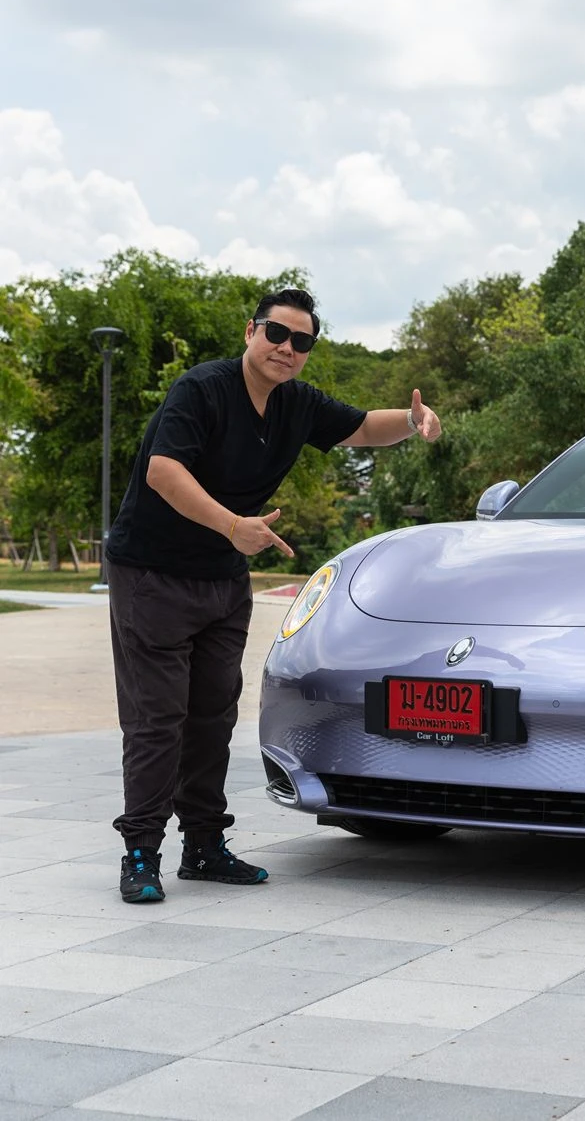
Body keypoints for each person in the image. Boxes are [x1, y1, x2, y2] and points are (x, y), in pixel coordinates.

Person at [106, 287, 441, 904]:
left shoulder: (296, 403)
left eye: (302, 341)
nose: (287, 348)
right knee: (158, 721)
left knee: (213, 718)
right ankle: (141, 852)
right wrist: (234, 526)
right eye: (277, 333)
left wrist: (412, 421)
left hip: (222, 580)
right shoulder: (201, 390)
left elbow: (362, 427)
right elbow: (163, 471)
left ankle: (203, 846)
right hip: (153, 576)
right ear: (251, 332)